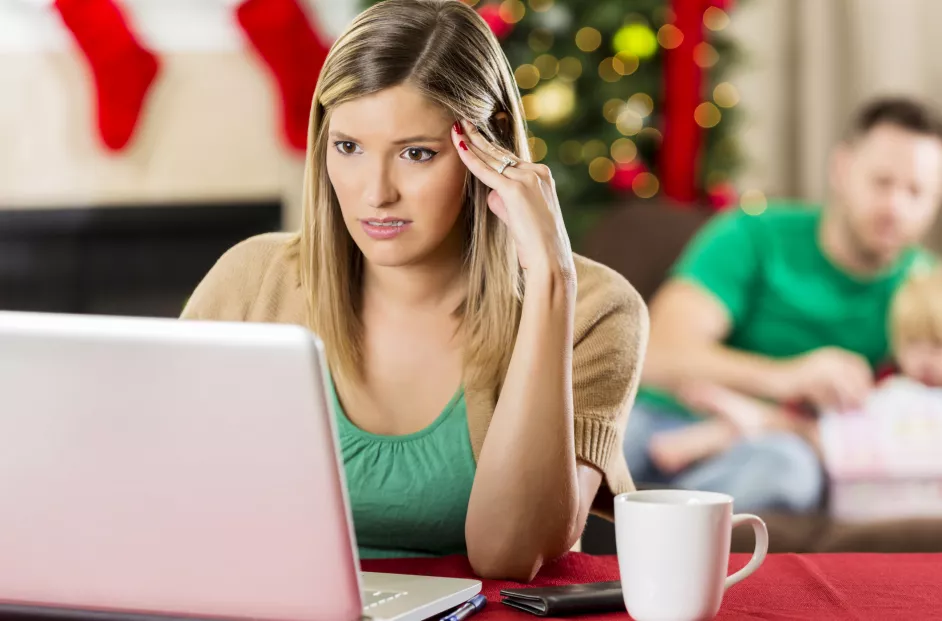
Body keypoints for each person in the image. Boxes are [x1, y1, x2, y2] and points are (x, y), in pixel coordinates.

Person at [181, 0, 647, 581]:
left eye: (416, 153)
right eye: (348, 147)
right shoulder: (250, 282)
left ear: (490, 148)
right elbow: (166, 497)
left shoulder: (598, 311)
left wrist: (551, 281)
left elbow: (510, 554)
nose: (376, 193)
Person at [624, 97, 942, 514]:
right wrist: (785, 377)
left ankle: (659, 535)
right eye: (882, 182)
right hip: (665, 419)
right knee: (593, 444)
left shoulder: (927, 289)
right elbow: (655, 356)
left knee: (789, 471)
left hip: (774, 446)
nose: (895, 207)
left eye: (916, 191)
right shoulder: (755, 236)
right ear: (842, 169)